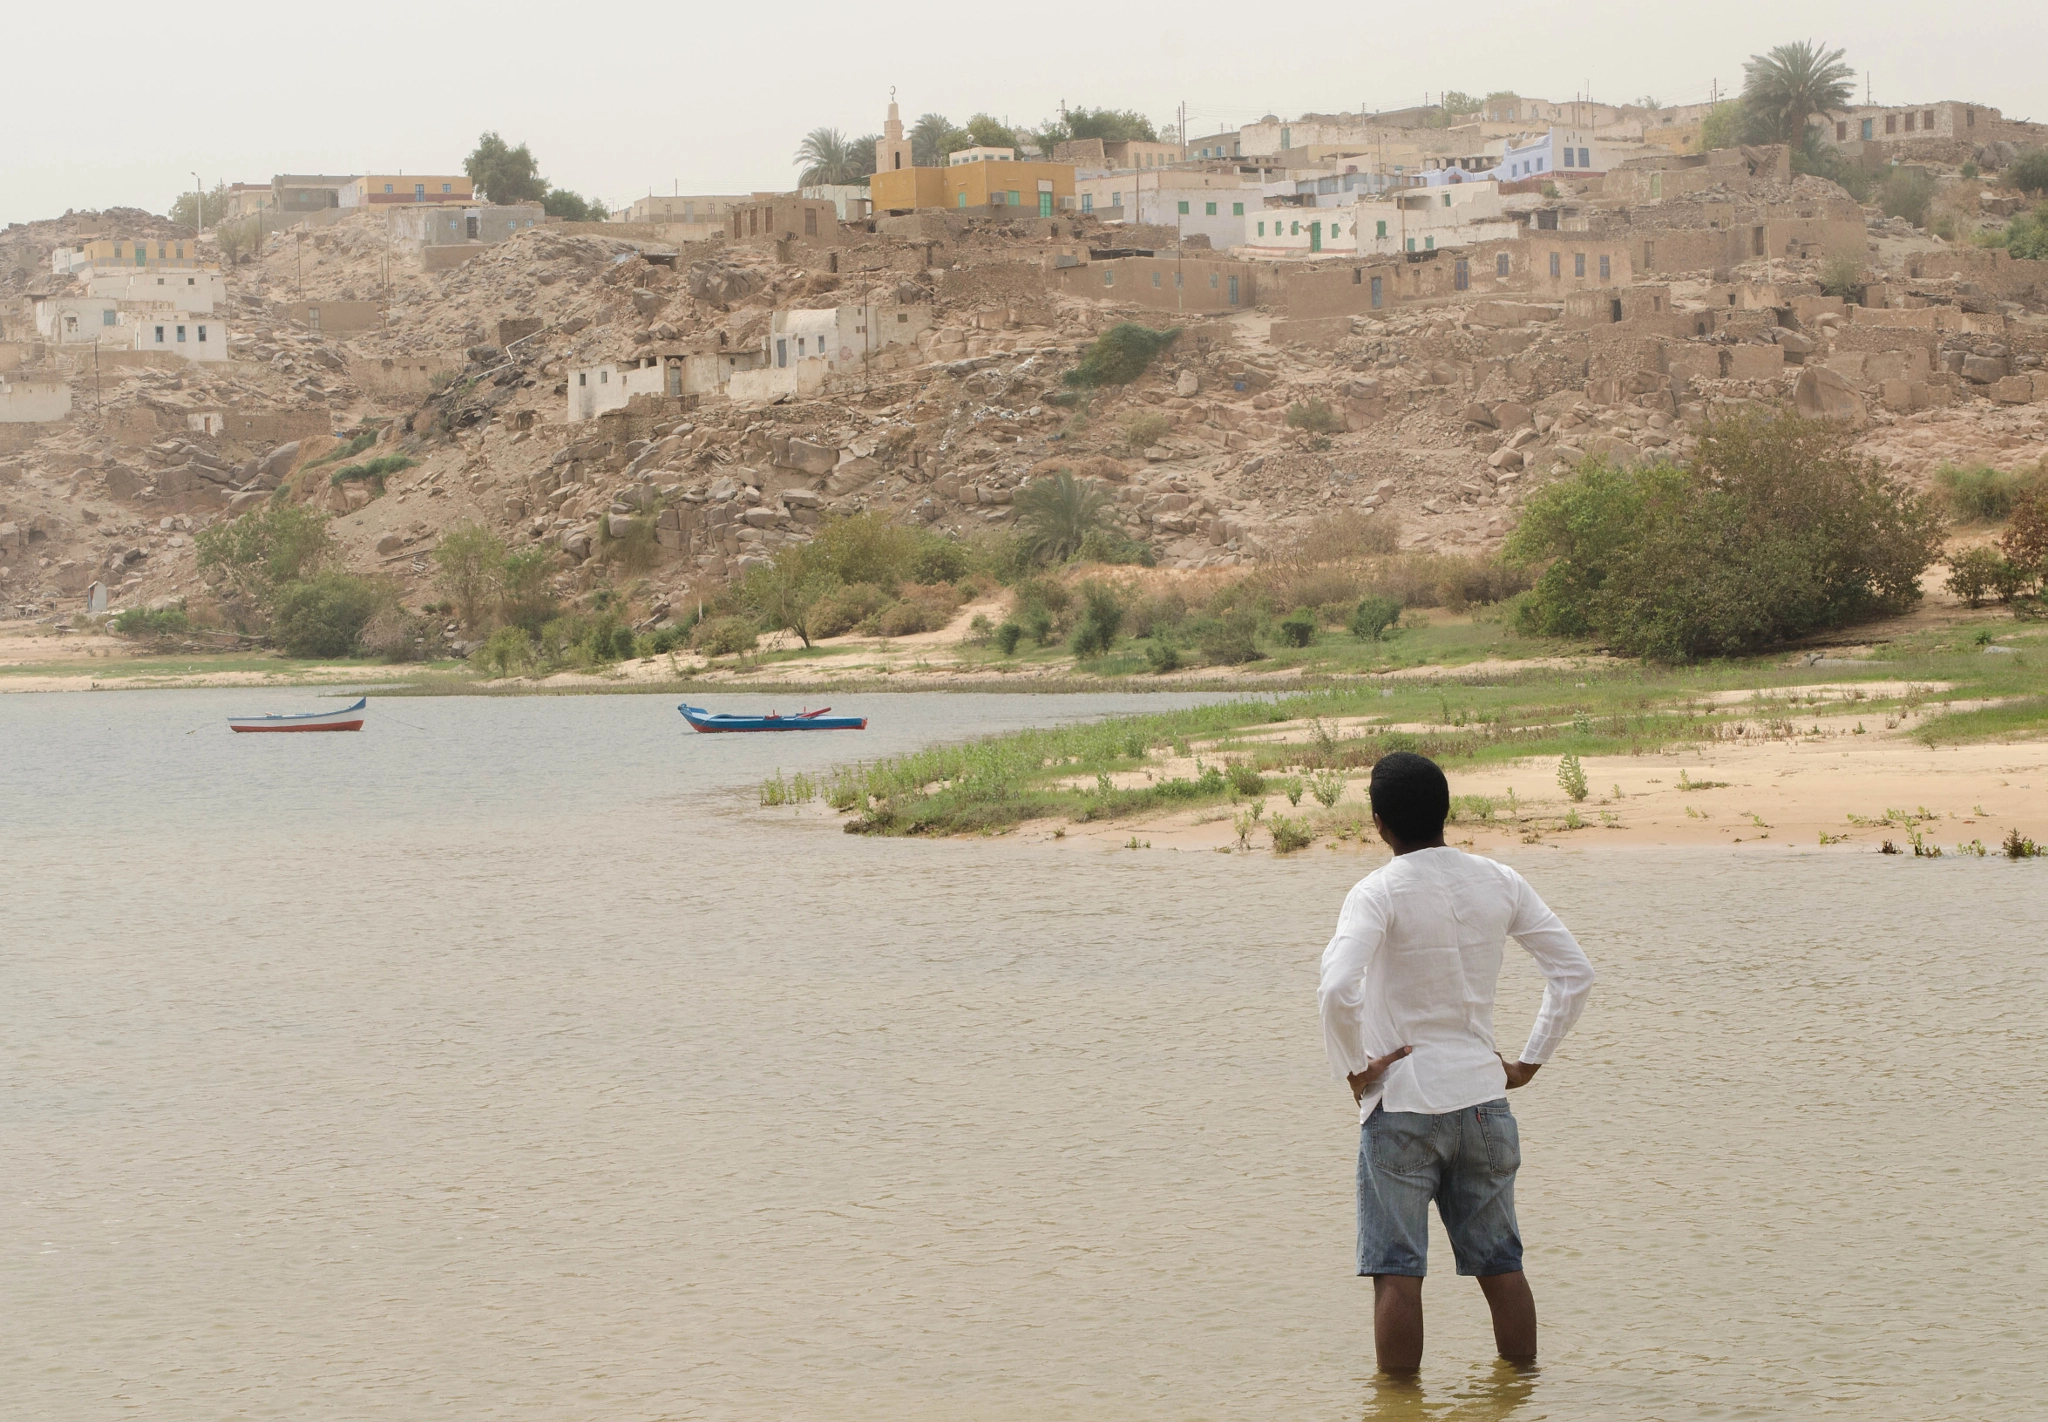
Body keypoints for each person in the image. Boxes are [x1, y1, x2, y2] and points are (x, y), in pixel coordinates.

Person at [1317, 751, 1595, 1375]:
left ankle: (1399, 1408)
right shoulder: (1499, 879)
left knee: (1396, 1270)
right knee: (1502, 1265)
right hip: (1483, 1101)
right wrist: (1528, 1060)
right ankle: (1520, 1393)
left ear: (1378, 821)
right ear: (1447, 811)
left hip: (1404, 1103)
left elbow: (1337, 988)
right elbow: (1574, 974)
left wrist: (1354, 1068)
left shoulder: (1377, 892)